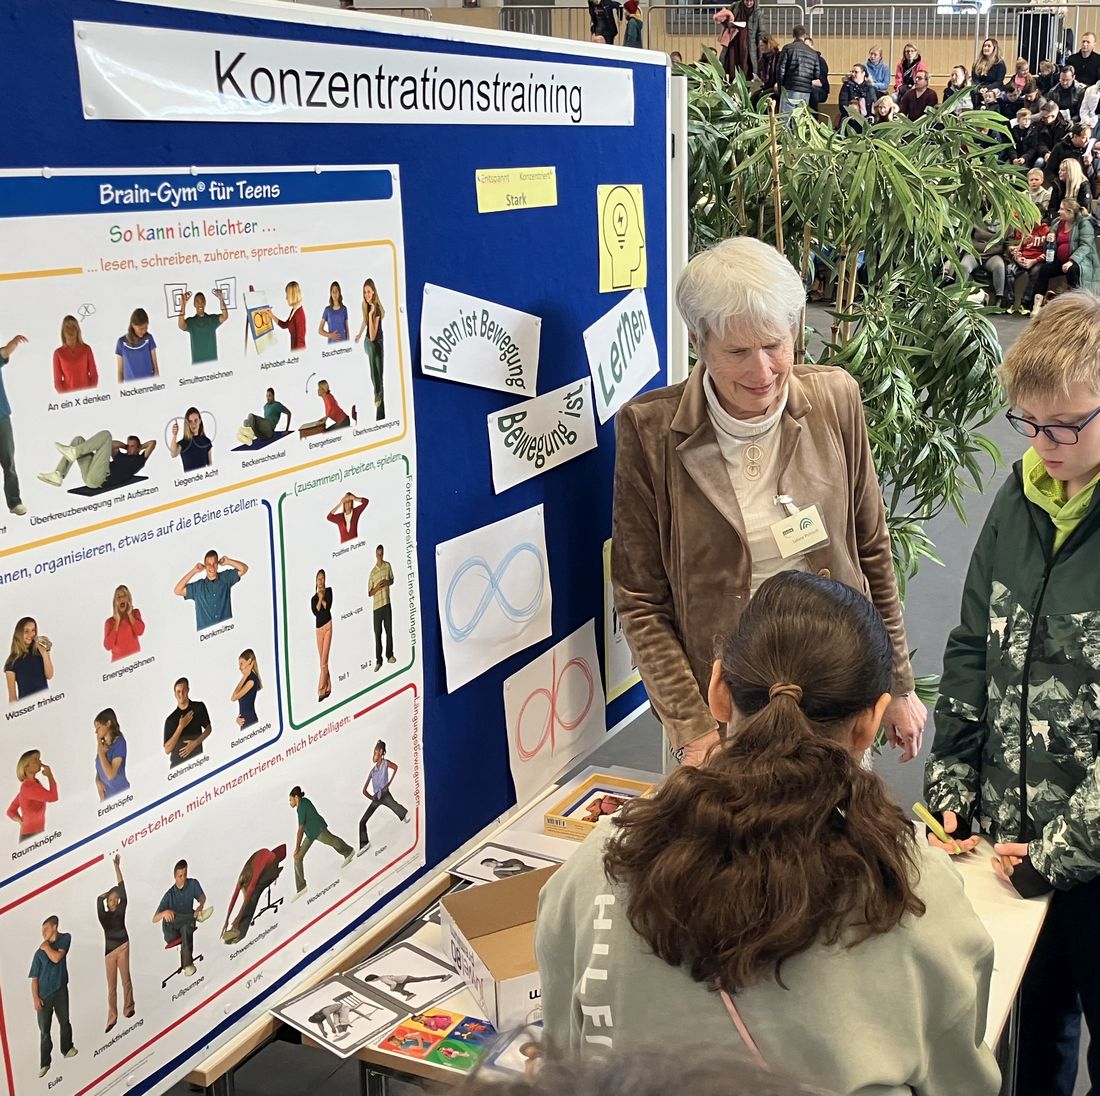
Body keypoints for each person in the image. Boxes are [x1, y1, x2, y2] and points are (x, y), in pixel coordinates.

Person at [538, 571, 1000, 1095]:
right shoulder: (914, 893)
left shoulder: (599, 868)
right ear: (871, 721)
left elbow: (565, 1066)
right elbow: (963, 1084)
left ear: (718, 691)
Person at [611, 237, 923, 767]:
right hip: (722, 707)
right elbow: (640, 598)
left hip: (835, 689)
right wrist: (692, 729)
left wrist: (897, 684)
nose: (762, 373)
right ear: (697, 341)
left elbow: (871, 548)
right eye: (737, 352)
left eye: (775, 345)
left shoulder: (835, 399)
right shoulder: (650, 430)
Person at [924, 291, 1100, 1095]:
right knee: (1029, 1038)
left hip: (1085, 850)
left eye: (1066, 426)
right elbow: (973, 645)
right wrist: (953, 777)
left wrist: (1061, 854)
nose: (1044, 444)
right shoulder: (1017, 497)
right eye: (1029, 423)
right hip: (1011, 839)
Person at [1024, 198, 1100, 308]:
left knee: (1072, 270)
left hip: (1082, 261)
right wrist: (1049, 240)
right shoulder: (1057, 223)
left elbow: (1086, 246)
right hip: (1061, 261)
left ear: (1070, 212)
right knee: (1044, 269)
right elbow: (1050, 247)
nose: (1058, 211)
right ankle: (1037, 304)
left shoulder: (1084, 224)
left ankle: (1073, 305)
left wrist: (1072, 261)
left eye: (1061, 209)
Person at [29, 916, 77, 1078]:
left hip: (60, 990)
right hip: (44, 997)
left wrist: (46, 947)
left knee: (65, 1021)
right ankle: (45, 1063)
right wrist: (36, 998)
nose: (43, 933)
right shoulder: (38, 954)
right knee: (45, 1031)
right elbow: (34, 979)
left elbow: (57, 958)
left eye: (46, 929)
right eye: (42, 930)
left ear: (55, 927)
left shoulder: (65, 939)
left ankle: (67, 1049)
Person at [289, 785, 355, 900]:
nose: (290, 802)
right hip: (310, 834)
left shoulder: (302, 806)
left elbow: (300, 829)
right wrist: (298, 850)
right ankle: (301, 887)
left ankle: (349, 852)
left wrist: (297, 848)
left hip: (318, 830)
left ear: (296, 797)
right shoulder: (303, 803)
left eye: (290, 799)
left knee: (333, 841)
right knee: (298, 858)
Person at [38, 432, 155, 492]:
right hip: (91, 475)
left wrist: (140, 447)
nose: (129, 448)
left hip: (100, 479)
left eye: (132, 446)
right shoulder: (120, 456)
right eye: (128, 445)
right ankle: (58, 474)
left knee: (106, 434)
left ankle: (74, 452)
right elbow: (111, 445)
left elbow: (152, 443)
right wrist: (125, 446)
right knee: (78, 440)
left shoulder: (140, 460)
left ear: (138, 447)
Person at [153, 860, 210, 978]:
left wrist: (200, 906)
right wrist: (164, 913)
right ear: (174, 876)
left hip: (186, 926)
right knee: (172, 914)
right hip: (171, 931)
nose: (183, 878)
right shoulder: (169, 895)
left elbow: (202, 897)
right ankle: (196, 917)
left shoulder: (193, 883)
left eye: (185, 874)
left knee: (186, 928)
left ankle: (188, 965)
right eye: (180, 876)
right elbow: (154, 919)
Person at [96, 855, 134, 1034]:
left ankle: (129, 1007)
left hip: (123, 945)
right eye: (111, 900)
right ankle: (112, 1017)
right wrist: (105, 895)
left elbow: (122, 889)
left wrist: (117, 867)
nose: (114, 902)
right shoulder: (104, 917)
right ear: (107, 902)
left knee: (125, 978)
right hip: (109, 952)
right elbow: (98, 902)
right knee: (111, 986)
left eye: (116, 900)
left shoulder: (121, 909)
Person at [220, 846, 285, 945]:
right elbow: (234, 897)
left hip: (273, 865)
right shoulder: (243, 875)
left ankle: (241, 933)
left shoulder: (254, 875)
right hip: (262, 864)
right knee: (247, 901)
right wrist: (227, 920)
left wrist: (238, 917)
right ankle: (235, 928)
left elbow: (248, 897)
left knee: (253, 896)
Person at [174, 550, 248, 631]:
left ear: (217, 564)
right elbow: (177, 590)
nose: (212, 567)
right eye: (209, 564)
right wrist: (194, 571)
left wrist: (228, 561)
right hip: (207, 635)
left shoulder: (226, 578)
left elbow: (244, 569)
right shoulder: (197, 587)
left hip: (226, 631)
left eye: (214, 564)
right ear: (205, 565)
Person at [358, 740, 410, 853]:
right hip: (377, 797)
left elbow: (395, 767)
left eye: (376, 752)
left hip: (385, 794)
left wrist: (388, 783)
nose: (374, 755)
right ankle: (364, 844)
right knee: (362, 821)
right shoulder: (373, 771)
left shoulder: (386, 763)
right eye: (374, 752)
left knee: (394, 806)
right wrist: (372, 797)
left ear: (381, 752)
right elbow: (364, 790)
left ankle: (404, 814)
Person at [0, 333, 28, 516]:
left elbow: (4, 352)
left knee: (9, 462)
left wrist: (14, 342)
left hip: (1, 417)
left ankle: (14, 502)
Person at [354, 279, 387, 420]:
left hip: (377, 343)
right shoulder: (366, 305)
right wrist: (359, 334)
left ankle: (380, 414)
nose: (366, 294)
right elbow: (366, 323)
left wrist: (371, 313)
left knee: (379, 378)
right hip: (369, 343)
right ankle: (377, 396)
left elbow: (374, 336)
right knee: (377, 376)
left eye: (368, 291)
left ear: (373, 291)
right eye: (364, 292)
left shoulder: (376, 309)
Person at [163, 678, 213, 768]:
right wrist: (181, 726)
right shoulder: (170, 720)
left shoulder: (198, 707)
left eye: (183, 690)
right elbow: (167, 750)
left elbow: (208, 729)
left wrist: (195, 743)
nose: (181, 694)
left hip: (198, 761)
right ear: (174, 694)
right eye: (178, 691)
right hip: (178, 767)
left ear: (188, 690)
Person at [8, 750, 57, 839]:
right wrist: (49, 775)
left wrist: (22, 822)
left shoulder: (31, 785)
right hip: (31, 835)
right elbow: (53, 797)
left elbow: (11, 810)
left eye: (39, 759)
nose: (40, 762)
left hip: (35, 833)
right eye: (35, 760)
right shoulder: (29, 787)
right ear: (26, 766)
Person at [5, 617, 53, 702]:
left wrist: (45, 653)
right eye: (26, 631)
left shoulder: (40, 651)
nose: (30, 634)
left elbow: (49, 675)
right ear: (19, 633)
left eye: (33, 630)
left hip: (46, 703)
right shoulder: (11, 662)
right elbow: (12, 698)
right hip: (27, 706)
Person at [177, 288, 228, 365]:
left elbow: (225, 316)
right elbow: (181, 325)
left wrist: (221, 299)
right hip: (197, 363)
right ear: (194, 304)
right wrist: (183, 305)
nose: (200, 304)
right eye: (197, 302)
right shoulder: (191, 322)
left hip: (212, 362)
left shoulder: (212, 320)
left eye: (202, 301)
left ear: (205, 303)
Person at [775, 26, 818, 113]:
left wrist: (780, 87)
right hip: (805, 90)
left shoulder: (788, 48)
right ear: (804, 35)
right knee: (801, 118)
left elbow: (780, 70)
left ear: (793, 35)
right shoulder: (813, 53)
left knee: (785, 118)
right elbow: (816, 74)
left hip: (790, 88)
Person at [53, 315, 98, 393]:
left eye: (73, 326)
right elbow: (57, 382)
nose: (71, 329)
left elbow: (94, 375)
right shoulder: (58, 353)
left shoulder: (86, 349)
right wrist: (66, 396)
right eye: (67, 327)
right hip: (68, 396)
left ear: (77, 329)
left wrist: (90, 393)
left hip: (87, 395)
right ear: (63, 331)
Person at [369, 544, 396, 672]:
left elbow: (392, 580)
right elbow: (369, 592)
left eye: (381, 553)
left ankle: (389, 655)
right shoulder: (373, 573)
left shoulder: (388, 566)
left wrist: (387, 582)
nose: (380, 555)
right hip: (377, 607)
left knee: (389, 631)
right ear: (376, 554)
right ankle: (378, 661)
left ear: (383, 553)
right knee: (377, 634)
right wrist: (376, 588)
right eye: (378, 553)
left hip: (387, 603)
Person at [94, 708, 129, 800]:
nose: (96, 732)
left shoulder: (119, 743)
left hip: (121, 794)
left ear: (108, 723)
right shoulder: (103, 747)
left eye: (98, 727)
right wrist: (97, 781)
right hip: (107, 796)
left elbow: (110, 775)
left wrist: (100, 751)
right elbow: (100, 769)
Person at [103, 584, 145, 661]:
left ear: (128, 599)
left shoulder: (135, 613)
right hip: (118, 662)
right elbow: (108, 646)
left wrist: (130, 615)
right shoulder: (109, 622)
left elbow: (140, 632)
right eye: (118, 597)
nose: (122, 598)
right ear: (115, 602)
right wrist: (117, 621)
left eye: (124, 595)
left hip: (136, 660)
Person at [115, 308, 158, 383]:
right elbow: (120, 372)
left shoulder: (149, 338)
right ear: (133, 325)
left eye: (146, 327)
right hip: (131, 386)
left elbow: (156, 368)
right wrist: (120, 388)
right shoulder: (121, 342)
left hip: (149, 384)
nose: (144, 331)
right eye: (141, 328)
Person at [311, 570, 333, 703]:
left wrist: (322, 597)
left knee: (323, 662)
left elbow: (327, 606)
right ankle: (328, 687)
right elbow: (316, 611)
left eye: (323, 578)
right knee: (323, 661)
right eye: (319, 579)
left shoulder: (329, 591)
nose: (321, 581)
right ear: (315, 581)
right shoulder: (313, 598)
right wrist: (319, 598)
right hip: (319, 630)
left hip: (328, 627)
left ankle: (321, 691)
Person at [1047, 156, 1091, 222]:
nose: (1059, 172)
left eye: (1062, 170)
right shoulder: (1058, 185)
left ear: (1071, 172)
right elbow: (1052, 207)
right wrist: (1056, 220)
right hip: (1059, 219)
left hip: (1078, 221)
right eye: (1059, 170)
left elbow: (1083, 209)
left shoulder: (1083, 186)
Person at [170, 406, 213, 472]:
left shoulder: (206, 441)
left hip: (203, 477)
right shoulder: (183, 443)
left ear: (200, 421)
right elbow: (173, 454)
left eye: (196, 420)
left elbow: (210, 466)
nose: (193, 424)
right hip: (189, 478)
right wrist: (174, 435)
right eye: (190, 421)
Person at [230, 649, 261, 729]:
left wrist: (245, 675)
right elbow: (245, 704)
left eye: (241, 663)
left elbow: (233, 698)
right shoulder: (248, 679)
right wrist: (238, 717)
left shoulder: (251, 681)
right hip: (246, 721)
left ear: (249, 661)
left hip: (250, 721)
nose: (239, 668)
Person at [971, 37, 1006, 106]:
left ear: (994, 48)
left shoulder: (1000, 64)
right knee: (973, 91)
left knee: (991, 94)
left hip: (994, 87)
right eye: (984, 46)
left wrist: (987, 88)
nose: (985, 48)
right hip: (980, 87)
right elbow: (975, 79)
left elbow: (999, 81)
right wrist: (980, 88)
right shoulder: (977, 63)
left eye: (989, 46)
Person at [1036, 100, 1072, 167]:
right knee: (1039, 162)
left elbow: (1066, 142)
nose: (1042, 119)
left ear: (1053, 116)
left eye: (1044, 117)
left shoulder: (1067, 125)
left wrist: (1054, 154)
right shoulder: (1040, 124)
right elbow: (1039, 142)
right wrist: (1045, 152)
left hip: (1061, 154)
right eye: (1041, 116)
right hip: (1045, 153)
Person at [276, 280, 306, 351]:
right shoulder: (294, 310)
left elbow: (300, 341)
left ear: (292, 295)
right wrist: (270, 315)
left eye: (287, 295)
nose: (286, 298)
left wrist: (297, 355)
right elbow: (285, 325)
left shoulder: (299, 315)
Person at [804, 36, 829, 113]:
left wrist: (804, 82)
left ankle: (814, 116)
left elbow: (821, 82)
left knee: (812, 91)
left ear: (812, 46)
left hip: (819, 91)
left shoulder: (820, 61)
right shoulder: (800, 60)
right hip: (804, 88)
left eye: (807, 46)